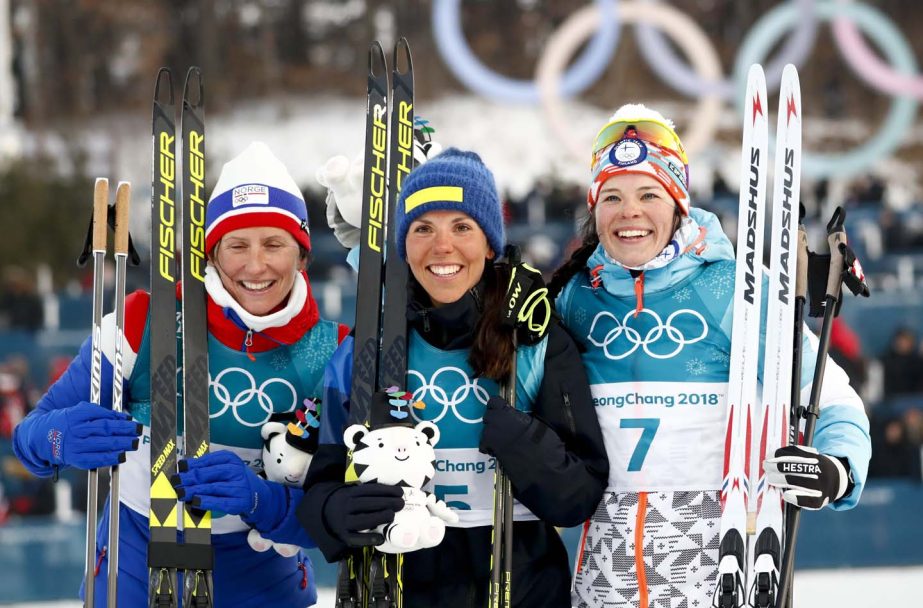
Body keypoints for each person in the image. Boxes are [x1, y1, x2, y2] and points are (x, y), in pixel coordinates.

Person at [548, 104, 872, 607]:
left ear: (678, 202)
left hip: (717, 566)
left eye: (648, 194)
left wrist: (839, 467)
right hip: (604, 573)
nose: (628, 212)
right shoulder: (572, 298)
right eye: (611, 196)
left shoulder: (732, 287)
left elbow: (829, 396)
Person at [13, 142, 348, 607]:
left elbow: (343, 517)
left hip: (262, 587)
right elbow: (29, 439)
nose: (255, 265)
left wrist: (260, 500)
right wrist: (56, 438)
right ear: (211, 255)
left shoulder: (335, 352)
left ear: (303, 256)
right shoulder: (142, 322)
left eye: (274, 244)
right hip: (134, 579)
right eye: (236, 245)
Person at [298, 148, 609, 607]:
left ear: (489, 243)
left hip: (522, 592)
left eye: (461, 227)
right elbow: (319, 488)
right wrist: (334, 512)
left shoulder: (536, 341)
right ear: (404, 245)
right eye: (423, 228)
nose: (442, 247)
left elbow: (579, 496)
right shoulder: (366, 352)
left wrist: (522, 443)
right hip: (398, 590)